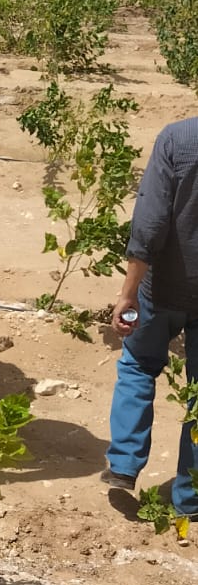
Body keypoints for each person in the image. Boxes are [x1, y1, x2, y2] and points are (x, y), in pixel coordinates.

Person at [103, 117, 198, 517]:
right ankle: (189, 499)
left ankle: (124, 466)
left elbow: (150, 221)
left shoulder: (178, 138)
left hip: (162, 287)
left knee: (139, 365)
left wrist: (128, 292)